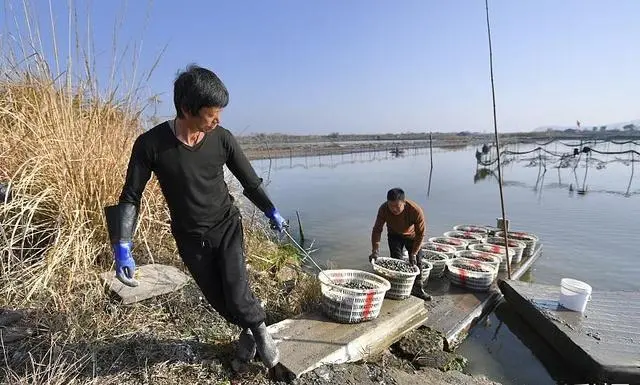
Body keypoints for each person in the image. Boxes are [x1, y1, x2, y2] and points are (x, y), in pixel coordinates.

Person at [104, 64, 289, 378]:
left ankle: (265, 343)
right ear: (187, 109)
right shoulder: (151, 145)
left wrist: (271, 210)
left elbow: (249, 182)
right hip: (190, 236)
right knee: (219, 301)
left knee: (236, 289)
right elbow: (131, 196)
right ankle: (247, 330)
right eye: (211, 113)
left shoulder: (222, 139)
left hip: (226, 225)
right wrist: (123, 247)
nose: (217, 120)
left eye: (219, 113)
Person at [368, 188, 431, 301]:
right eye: (391, 206)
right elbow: (377, 230)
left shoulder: (415, 210)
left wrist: (413, 253)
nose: (394, 209)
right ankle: (399, 288)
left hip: (412, 236)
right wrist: (375, 251)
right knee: (397, 260)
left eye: (397, 206)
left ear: (404, 203)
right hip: (394, 235)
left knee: (418, 261)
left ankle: (418, 289)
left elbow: (421, 234)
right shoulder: (383, 209)